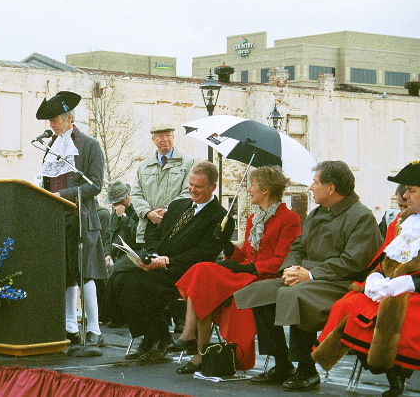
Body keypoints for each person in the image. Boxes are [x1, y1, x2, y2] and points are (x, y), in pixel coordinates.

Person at [234, 160, 382, 392]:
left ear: (331, 188)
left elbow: (353, 262)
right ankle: (282, 364)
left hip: (342, 283)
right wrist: (292, 269)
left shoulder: (361, 217)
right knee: (259, 292)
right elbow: (297, 247)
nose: (311, 187)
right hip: (308, 277)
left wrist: (310, 274)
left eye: (315, 182)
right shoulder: (317, 213)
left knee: (297, 295)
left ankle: (307, 369)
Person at [172, 166, 301, 375]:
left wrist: (250, 267)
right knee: (201, 273)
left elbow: (280, 261)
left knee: (203, 275)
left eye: (252, 186)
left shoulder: (289, 219)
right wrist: (227, 244)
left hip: (265, 278)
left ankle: (193, 342)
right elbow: (245, 255)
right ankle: (197, 348)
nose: (249, 190)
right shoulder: (253, 218)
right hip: (246, 273)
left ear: (266, 190)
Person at [313, 161, 420, 397]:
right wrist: (375, 279)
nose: (404, 195)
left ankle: (397, 372)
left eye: (411, 190)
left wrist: (404, 285)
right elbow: (383, 258)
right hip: (390, 286)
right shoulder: (401, 223)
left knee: (403, 315)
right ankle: (381, 366)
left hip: (415, 291)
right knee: (347, 304)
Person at [118, 160, 228, 362]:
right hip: (158, 263)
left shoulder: (220, 216)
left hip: (186, 271)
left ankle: (159, 339)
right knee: (121, 280)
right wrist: (152, 255)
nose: (193, 190)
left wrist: (167, 261)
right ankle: (153, 337)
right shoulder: (178, 205)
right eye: (191, 184)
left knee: (141, 285)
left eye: (199, 186)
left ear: (213, 187)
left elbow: (204, 252)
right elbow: (155, 234)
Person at [36, 91, 106, 346]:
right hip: (57, 219)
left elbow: (95, 185)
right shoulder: (51, 147)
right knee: (65, 273)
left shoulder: (89, 145)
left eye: (55, 120)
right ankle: (69, 326)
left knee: (84, 273)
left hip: (81, 218)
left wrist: (60, 195)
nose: (52, 125)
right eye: (50, 121)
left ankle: (94, 329)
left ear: (69, 118)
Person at [130, 123, 194, 332]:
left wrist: (168, 211)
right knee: (148, 274)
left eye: (168, 135)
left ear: (173, 137)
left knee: (170, 272)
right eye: (160, 136)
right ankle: (159, 325)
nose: (165, 139)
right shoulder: (144, 166)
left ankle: (181, 323)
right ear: (153, 140)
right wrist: (148, 213)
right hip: (149, 226)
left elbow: (188, 193)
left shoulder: (187, 163)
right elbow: (136, 195)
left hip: (174, 228)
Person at [101, 179, 140, 328]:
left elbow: (136, 235)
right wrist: (107, 253)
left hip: (134, 252)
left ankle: (117, 316)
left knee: (117, 276)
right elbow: (109, 236)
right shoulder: (113, 214)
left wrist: (124, 217)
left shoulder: (136, 211)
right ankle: (110, 314)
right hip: (116, 254)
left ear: (127, 197)